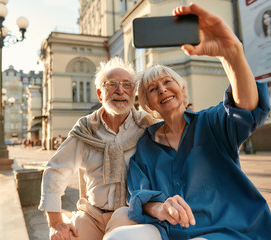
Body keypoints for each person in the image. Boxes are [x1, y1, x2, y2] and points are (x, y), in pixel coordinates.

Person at [105, 3, 271, 240]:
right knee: (116, 238)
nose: (162, 90)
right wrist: (160, 207)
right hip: (169, 229)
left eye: (167, 82)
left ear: (182, 90)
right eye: (153, 89)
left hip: (225, 228)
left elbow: (245, 108)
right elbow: (138, 194)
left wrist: (231, 52)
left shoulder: (211, 123)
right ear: (149, 104)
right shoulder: (145, 144)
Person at [38, 57, 154, 240]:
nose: (120, 90)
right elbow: (55, 171)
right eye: (112, 85)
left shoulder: (147, 126)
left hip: (131, 214)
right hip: (92, 215)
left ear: (134, 93)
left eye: (127, 85)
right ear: (100, 94)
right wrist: (55, 222)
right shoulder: (86, 129)